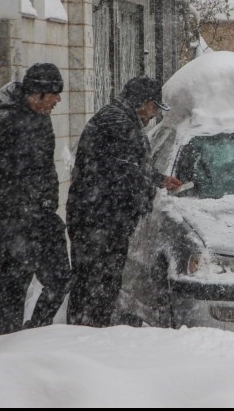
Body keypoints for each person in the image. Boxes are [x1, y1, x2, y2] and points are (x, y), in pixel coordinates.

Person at [66, 76, 182, 327]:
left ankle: (86, 331)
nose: (154, 116)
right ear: (145, 103)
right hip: (100, 219)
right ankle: (88, 335)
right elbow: (124, 172)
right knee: (97, 283)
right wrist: (146, 191)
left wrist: (159, 180)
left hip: (100, 217)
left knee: (95, 282)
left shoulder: (118, 118)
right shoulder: (119, 123)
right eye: (154, 108)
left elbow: (128, 167)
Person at [0, 63, 72, 335]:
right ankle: (6, 340)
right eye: (55, 93)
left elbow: (45, 167)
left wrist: (47, 202)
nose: (58, 99)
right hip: (15, 221)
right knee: (15, 283)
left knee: (60, 278)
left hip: (42, 216)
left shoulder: (41, 118)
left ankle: (35, 332)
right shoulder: (2, 125)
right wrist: (20, 212)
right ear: (38, 93)